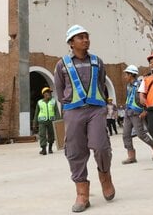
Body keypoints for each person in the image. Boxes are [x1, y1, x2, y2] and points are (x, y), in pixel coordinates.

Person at [53, 24, 115, 212]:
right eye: (80, 37)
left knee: (101, 146)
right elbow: (59, 88)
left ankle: (105, 176)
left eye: (86, 36)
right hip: (73, 111)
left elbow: (102, 83)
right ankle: (82, 192)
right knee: (75, 150)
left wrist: (103, 105)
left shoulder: (97, 61)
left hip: (96, 109)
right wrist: (68, 108)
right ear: (71, 43)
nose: (85, 40)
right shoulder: (61, 64)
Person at [121, 65, 153, 164]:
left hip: (136, 112)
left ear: (131, 75)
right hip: (128, 112)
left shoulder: (140, 84)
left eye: (126, 74)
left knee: (140, 133)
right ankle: (131, 156)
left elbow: (145, 97)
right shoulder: (128, 85)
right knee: (125, 135)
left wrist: (145, 111)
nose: (125, 76)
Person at [33, 86, 60, 155]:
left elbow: (56, 112)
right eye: (47, 92)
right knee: (42, 134)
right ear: (43, 94)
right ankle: (43, 149)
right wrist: (34, 124)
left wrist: (59, 122)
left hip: (51, 121)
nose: (49, 94)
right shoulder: (39, 102)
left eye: (50, 92)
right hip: (42, 121)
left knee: (51, 134)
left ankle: (50, 148)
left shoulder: (53, 102)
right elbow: (36, 113)